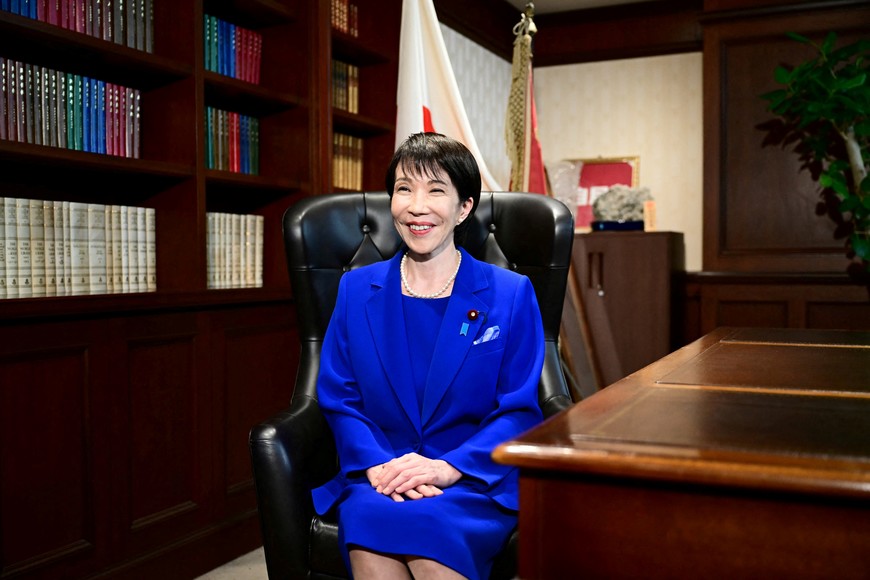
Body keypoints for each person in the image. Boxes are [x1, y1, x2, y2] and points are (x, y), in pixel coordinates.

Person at [311, 132, 545, 580]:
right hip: (382, 474)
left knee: (435, 552)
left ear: (464, 208)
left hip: (471, 479)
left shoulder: (510, 293)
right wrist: (378, 467)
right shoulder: (356, 289)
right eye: (404, 189)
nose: (417, 206)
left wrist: (449, 468)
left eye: (436, 190)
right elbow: (339, 397)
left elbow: (518, 410)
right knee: (371, 539)